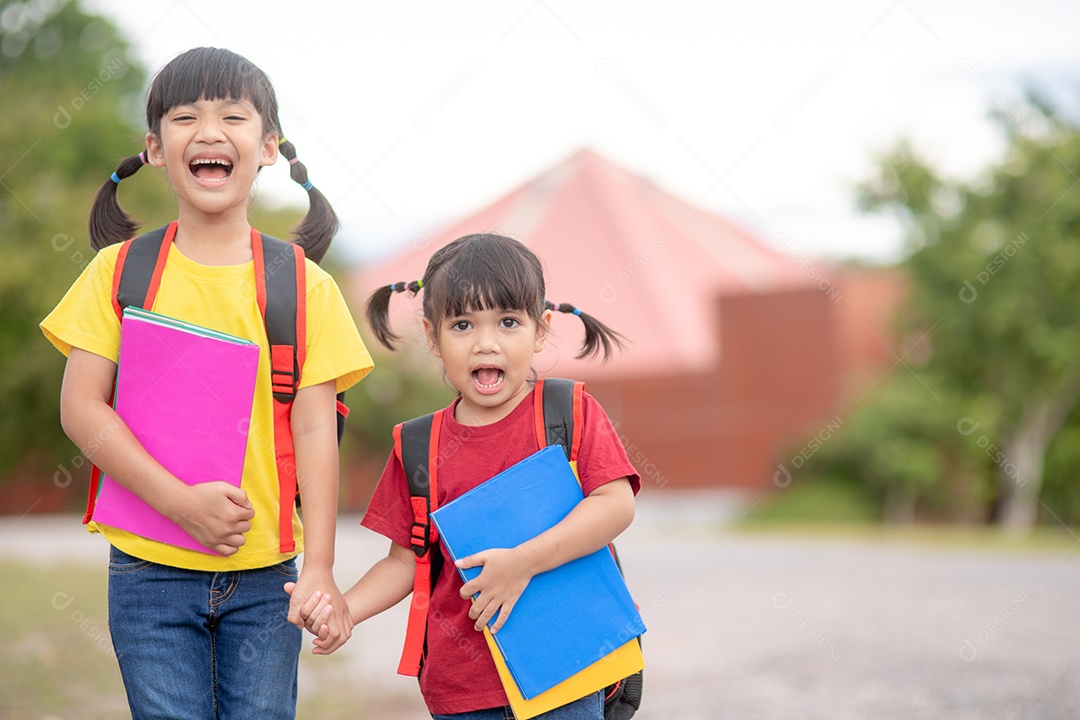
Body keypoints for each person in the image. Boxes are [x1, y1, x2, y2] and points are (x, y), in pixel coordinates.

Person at [40, 47, 373, 720]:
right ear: (155, 149)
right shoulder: (119, 272)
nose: (209, 131)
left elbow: (315, 427)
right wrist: (179, 503)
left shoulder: (306, 287)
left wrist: (319, 567)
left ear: (269, 147)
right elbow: (81, 408)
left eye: (233, 116)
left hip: (268, 579)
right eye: (186, 117)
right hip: (149, 574)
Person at [288, 233, 641, 720]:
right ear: (432, 338)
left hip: (565, 671)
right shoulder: (418, 446)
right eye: (462, 325)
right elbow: (404, 561)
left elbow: (615, 505)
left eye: (508, 322)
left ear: (541, 331)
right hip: (462, 689)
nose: (485, 343)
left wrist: (522, 563)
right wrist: (347, 608)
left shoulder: (569, 412)